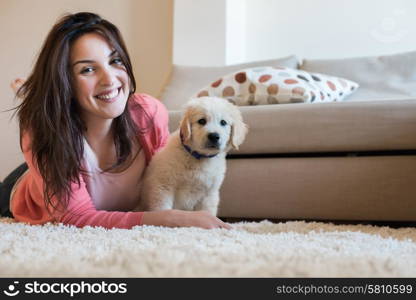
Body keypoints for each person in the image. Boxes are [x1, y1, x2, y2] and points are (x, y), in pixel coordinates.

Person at [0, 12, 231, 230]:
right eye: (88, 69)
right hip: (27, 186)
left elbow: (162, 178)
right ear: (65, 82)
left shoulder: (148, 113)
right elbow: (76, 217)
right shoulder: (44, 129)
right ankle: (37, 94)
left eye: (115, 61)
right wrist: (172, 219)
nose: (110, 79)